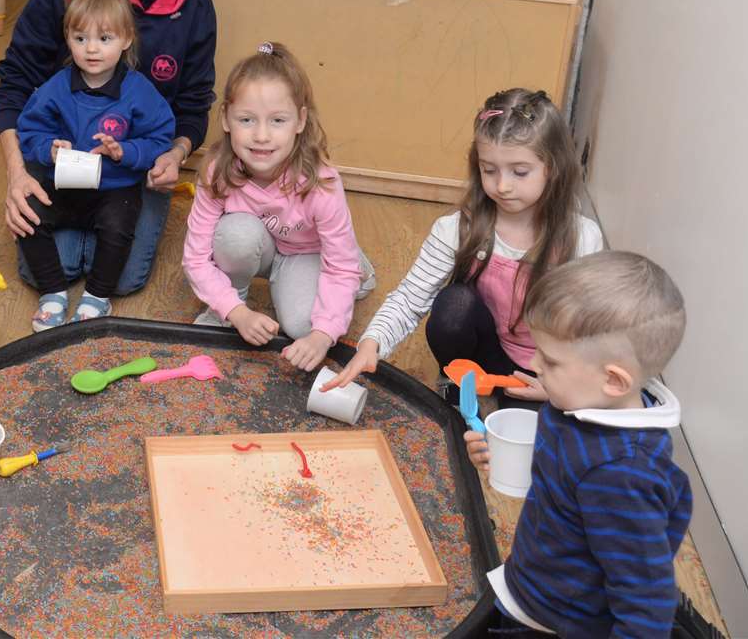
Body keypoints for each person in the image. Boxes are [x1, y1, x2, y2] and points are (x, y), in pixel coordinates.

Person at [0, 0, 218, 299]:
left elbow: (193, 103)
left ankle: (96, 228)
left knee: (120, 280)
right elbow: (14, 81)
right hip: (61, 157)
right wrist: (17, 174)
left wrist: (174, 154)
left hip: (133, 163)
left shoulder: (196, 5)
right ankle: (81, 230)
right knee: (50, 271)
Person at [462, 250, 692, 636]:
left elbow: (645, 601)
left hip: (562, 623)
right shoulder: (578, 403)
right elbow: (562, 474)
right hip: (532, 584)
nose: (535, 366)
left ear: (614, 381)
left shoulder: (621, 475)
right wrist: (498, 457)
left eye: (550, 362)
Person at [325, 89, 605, 399]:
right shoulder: (457, 228)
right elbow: (409, 298)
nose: (502, 185)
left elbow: (591, 331)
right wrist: (371, 343)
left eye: (520, 172)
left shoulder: (581, 237)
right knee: (453, 306)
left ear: (552, 168)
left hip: (544, 371)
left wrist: (559, 389)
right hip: (483, 359)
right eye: (489, 170)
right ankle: (460, 389)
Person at [183, 43, 375, 371]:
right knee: (235, 235)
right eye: (246, 119)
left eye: (277, 121)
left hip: (307, 252)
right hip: (265, 244)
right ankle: (232, 299)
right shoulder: (217, 171)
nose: (261, 135)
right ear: (227, 119)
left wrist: (323, 334)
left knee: (303, 327)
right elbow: (196, 258)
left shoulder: (321, 181)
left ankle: (361, 268)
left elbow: (338, 269)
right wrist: (235, 311)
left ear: (300, 121)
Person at [16, 0, 176, 328]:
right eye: (80, 38)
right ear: (68, 39)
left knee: (119, 225)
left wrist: (125, 152)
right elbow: (29, 130)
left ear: (126, 40)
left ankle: (96, 297)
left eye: (104, 39)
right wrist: (49, 147)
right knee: (26, 215)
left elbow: (161, 138)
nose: (91, 49)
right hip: (65, 183)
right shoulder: (56, 87)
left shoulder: (139, 91)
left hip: (116, 187)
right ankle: (53, 292)